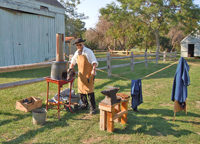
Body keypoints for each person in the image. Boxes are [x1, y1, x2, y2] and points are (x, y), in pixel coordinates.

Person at [70, 38, 98, 114]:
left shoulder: (88, 51)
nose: (79, 46)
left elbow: (94, 62)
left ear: (83, 44)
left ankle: (93, 108)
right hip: (81, 74)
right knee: (81, 91)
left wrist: (93, 69)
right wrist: (71, 67)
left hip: (89, 74)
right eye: (77, 45)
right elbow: (73, 61)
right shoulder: (77, 53)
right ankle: (84, 104)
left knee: (90, 91)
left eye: (80, 45)